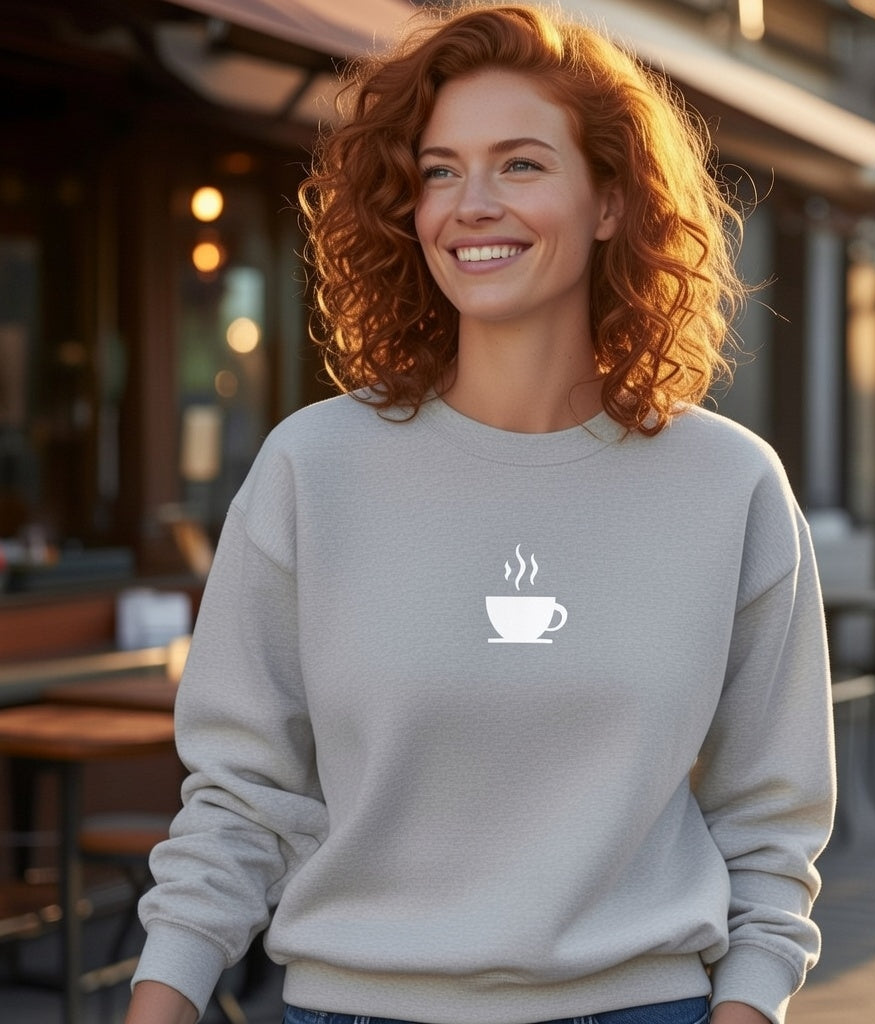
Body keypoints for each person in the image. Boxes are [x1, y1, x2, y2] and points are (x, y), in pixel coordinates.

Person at [125, 4, 835, 1024]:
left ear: (608, 202)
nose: (471, 204)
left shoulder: (728, 486)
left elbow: (772, 817)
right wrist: (161, 1001)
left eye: (521, 164)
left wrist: (750, 1005)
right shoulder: (312, 469)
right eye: (440, 169)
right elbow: (241, 795)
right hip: (353, 1009)